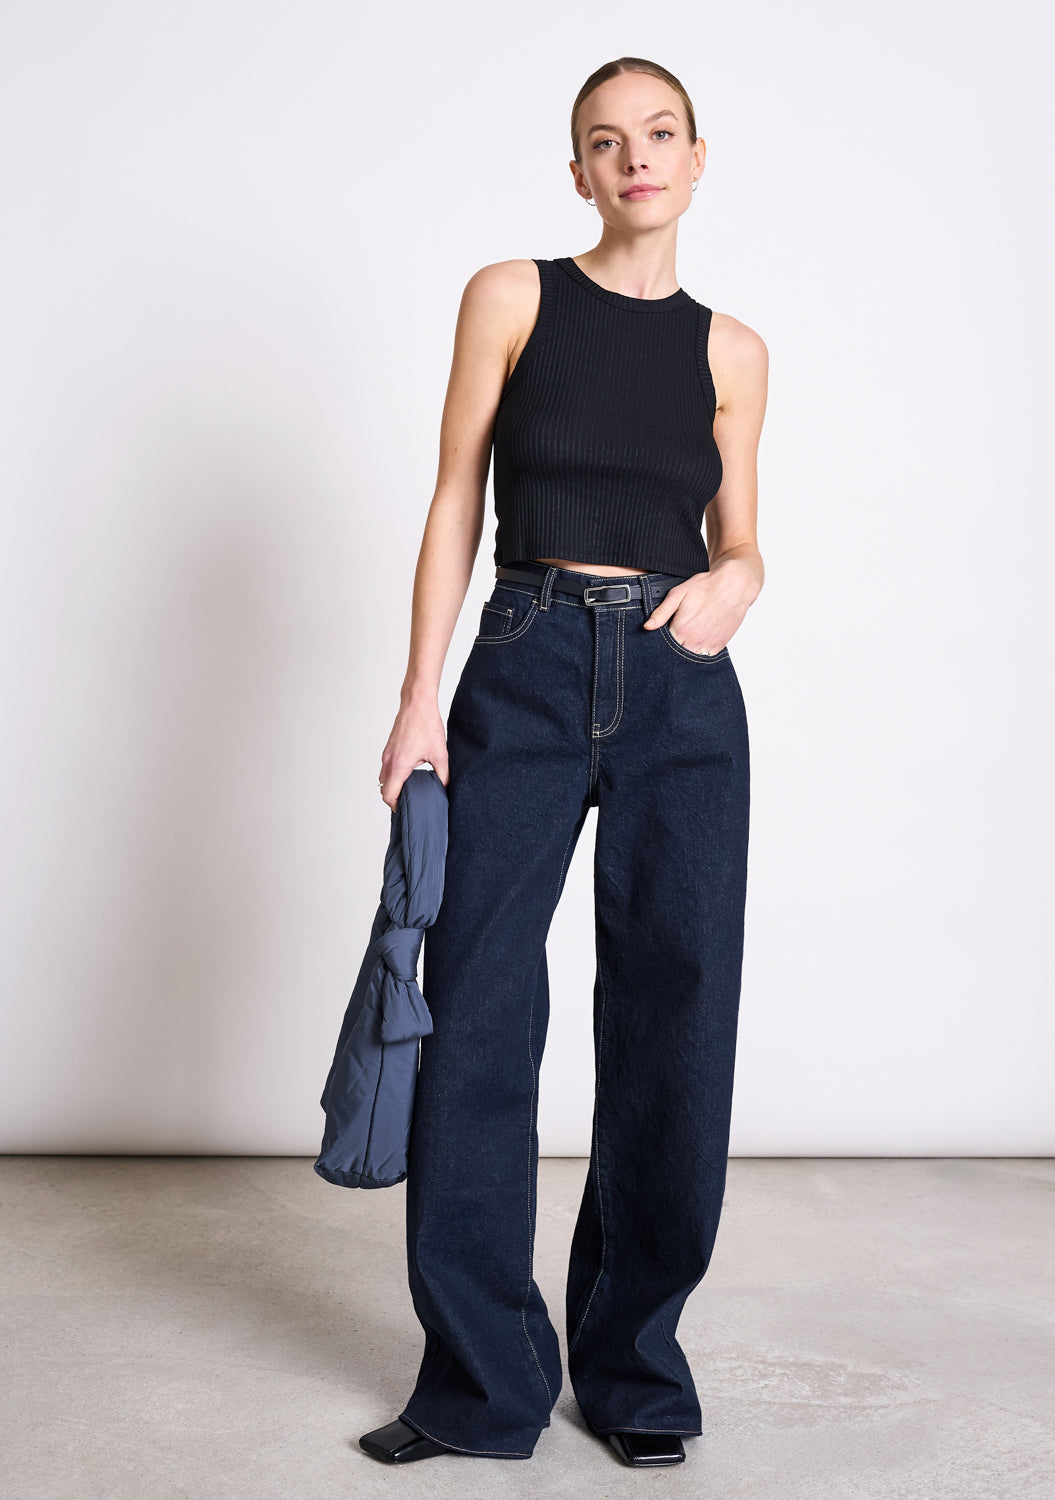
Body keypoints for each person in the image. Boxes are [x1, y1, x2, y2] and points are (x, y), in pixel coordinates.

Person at [359, 56, 768, 1469]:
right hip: (522, 667)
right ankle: (480, 1384)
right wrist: (423, 699)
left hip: (679, 689)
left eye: (659, 136)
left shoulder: (734, 353)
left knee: (676, 1022)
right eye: (607, 141)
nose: (635, 158)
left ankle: (638, 1372)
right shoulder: (511, 297)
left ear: (698, 160)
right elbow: (454, 493)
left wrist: (743, 583)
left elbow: (745, 537)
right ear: (579, 172)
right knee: (475, 1010)